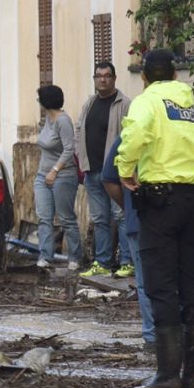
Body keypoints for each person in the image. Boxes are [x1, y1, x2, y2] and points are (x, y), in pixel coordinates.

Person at [116, 49, 194, 388]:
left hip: (159, 201)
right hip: (192, 201)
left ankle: (168, 374)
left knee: (160, 284)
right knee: (191, 284)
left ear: (144, 76)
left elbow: (135, 135)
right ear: (175, 75)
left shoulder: (147, 103)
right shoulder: (191, 108)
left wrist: (125, 169)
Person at [75, 62, 132, 277]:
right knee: (100, 219)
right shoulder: (89, 103)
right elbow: (79, 129)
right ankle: (103, 262)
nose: (103, 80)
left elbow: (131, 135)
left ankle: (127, 262)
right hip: (92, 171)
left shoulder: (124, 104)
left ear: (114, 78)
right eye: (98, 76)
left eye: (107, 76)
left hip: (115, 173)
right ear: (94, 79)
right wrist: (81, 159)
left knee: (121, 216)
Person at [102, 133, 155, 348]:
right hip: (177, 219)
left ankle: (153, 338)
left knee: (145, 282)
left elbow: (109, 178)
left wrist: (129, 206)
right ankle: (178, 335)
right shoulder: (184, 125)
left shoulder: (130, 134)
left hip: (140, 220)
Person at [33, 84, 83, 271]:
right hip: (42, 176)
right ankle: (45, 255)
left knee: (66, 218)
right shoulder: (48, 119)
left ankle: (75, 257)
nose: (38, 103)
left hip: (63, 175)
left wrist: (55, 170)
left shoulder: (64, 121)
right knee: (44, 217)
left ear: (46, 102)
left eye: (40, 100)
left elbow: (69, 149)